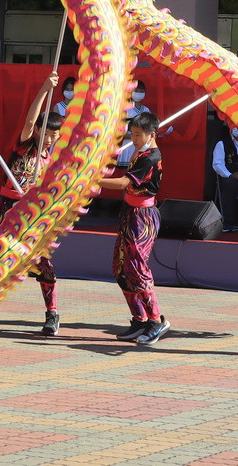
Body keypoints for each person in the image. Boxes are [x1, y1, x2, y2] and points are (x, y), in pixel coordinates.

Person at [0, 72, 65, 335]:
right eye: (46, 132)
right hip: (6, 207)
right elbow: (30, 117)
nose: (49, 138)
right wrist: (44, 89)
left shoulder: (55, 158)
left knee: (43, 264)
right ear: (38, 130)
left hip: (34, 215)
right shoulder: (25, 146)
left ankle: (52, 313)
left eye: (54, 134)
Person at [98, 110, 170, 346]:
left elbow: (122, 183)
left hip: (142, 217)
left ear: (152, 134)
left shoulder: (149, 157)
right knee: (120, 269)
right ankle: (140, 319)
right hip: (130, 214)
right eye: (132, 134)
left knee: (138, 269)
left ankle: (156, 320)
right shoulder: (141, 152)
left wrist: (90, 179)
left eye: (139, 135)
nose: (134, 139)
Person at [115, 80, 151, 170]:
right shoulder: (124, 109)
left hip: (143, 147)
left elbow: (149, 131)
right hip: (128, 146)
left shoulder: (147, 110)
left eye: (141, 91)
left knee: (141, 176)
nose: (138, 93)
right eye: (136, 91)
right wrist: (134, 136)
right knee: (127, 175)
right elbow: (118, 132)